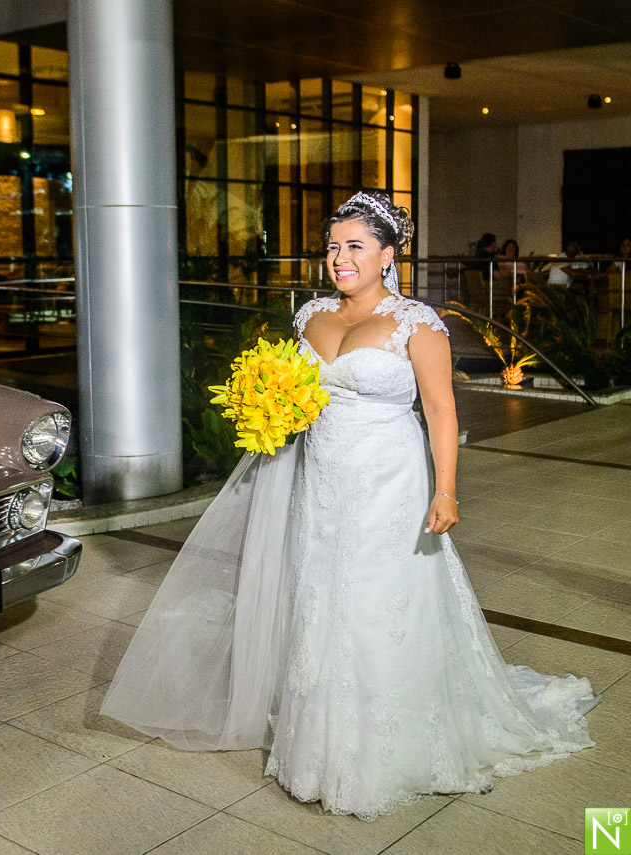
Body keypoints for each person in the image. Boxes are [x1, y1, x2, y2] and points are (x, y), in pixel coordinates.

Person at [100, 191, 596, 821]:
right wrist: (270, 409)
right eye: (333, 247)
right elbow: (295, 390)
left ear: (388, 255)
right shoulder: (310, 316)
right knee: (318, 596)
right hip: (320, 479)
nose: (339, 258)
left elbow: (441, 410)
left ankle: (380, 749)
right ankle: (316, 745)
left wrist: (446, 489)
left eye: (355, 246)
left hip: (389, 480)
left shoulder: (419, 323)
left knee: (373, 601)